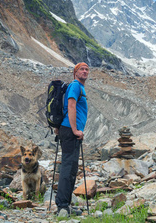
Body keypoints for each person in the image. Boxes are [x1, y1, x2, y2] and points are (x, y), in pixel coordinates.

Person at [55, 62, 89, 216]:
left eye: (87, 69)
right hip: (70, 131)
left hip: (69, 131)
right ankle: (62, 206)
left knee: (71, 169)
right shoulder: (75, 86)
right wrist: (75, 129)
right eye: (81, 69)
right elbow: (71, 106)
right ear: (75, 72)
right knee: (68, 168)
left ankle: (66, 204)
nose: (85, 71)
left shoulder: (79, 87)